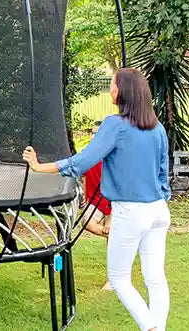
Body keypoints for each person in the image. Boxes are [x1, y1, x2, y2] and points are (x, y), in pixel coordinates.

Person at [23, 68, 171, 331]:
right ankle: (157, 327)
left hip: (131, 212)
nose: (111, 90)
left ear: (123, 92)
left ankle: (152, 328)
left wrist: (39, 167)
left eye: (113, 85)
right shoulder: (157, 128)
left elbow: (82, 162)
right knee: (155, 278)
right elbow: (162, 174)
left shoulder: (114, 125)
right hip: (159, 211)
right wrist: (161, 201)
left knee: (118, 278)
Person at [81, 120, 113, 290]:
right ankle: (116, 237)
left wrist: (111, 218)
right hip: (96, 203)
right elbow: (84, 177)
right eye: (92, 132)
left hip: (115, 204)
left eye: (97, 133)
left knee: (112, 231)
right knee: (86, 221)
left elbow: (121, 188)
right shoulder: (87, 154)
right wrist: (85, 198)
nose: (94, 135)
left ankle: (112, 280)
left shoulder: (114, 156)